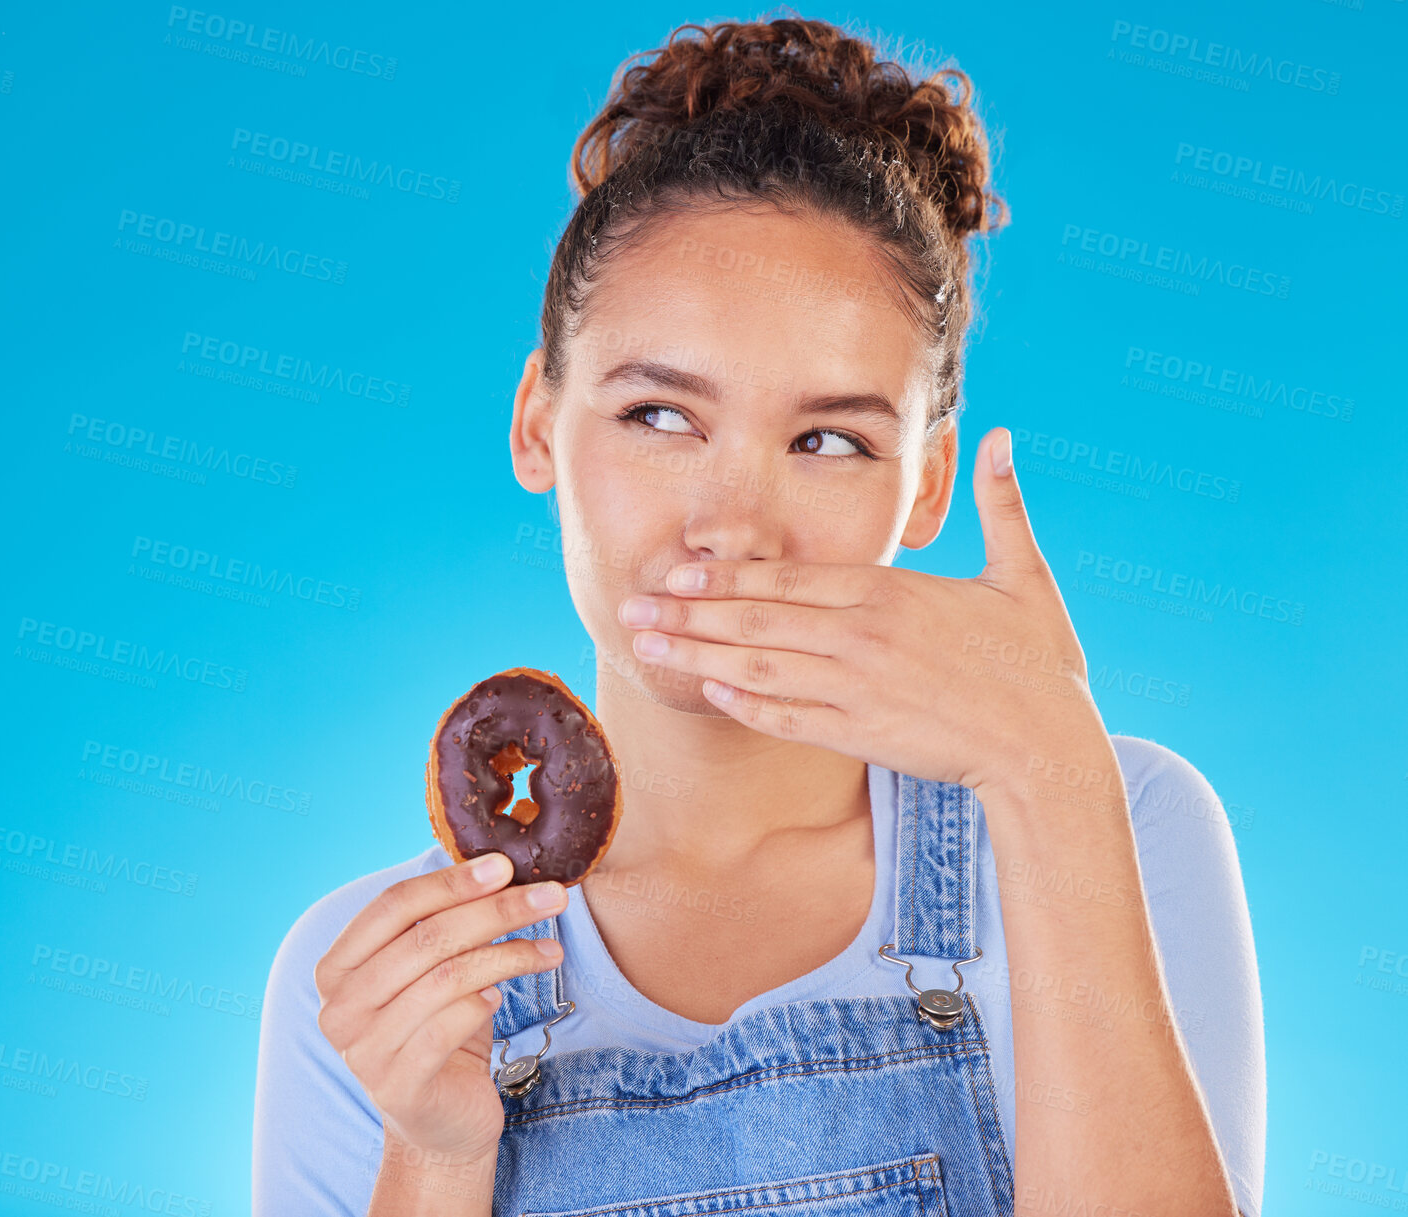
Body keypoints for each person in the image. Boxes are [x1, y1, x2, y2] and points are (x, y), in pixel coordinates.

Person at [252, 16, 1264, 1216]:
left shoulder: (1124, 822)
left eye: (826, 439)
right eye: (661, 417)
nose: (734, 526)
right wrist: (433, 1149)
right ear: (536, 420)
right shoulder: (377, 978)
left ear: (927, 483)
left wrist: (1047, 773)